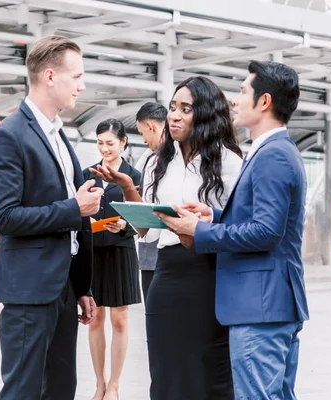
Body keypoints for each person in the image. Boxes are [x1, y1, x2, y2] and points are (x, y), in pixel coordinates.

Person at [157, 61, 310, 400]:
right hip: (267, 304)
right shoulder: (270, 151)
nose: (235, 101)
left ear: (264, 102)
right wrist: (215, 216)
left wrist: (200, 232)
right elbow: (263, 220)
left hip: (261, 305)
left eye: (242, 92)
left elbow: (266, 231)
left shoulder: (273, 156)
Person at [91, 76, 242, 400]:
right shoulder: (157, 162)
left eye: (185, 109)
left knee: (209, 369)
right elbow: (145, 229)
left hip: (211, 274)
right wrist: (128, 188)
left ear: (205, 115)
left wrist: (201, 226)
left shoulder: (229, 162)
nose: (174, 115)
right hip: (167, 272)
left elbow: (237, 226)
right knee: (165, 371)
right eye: (173, 107)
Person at [0, 35, 102, 400]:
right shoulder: (10, 136)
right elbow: (3, 218)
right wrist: (73, 208)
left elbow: (74, 221)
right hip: (29, 292)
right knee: (23, 391)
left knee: (62, 389)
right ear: (50, 76)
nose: (82, 86)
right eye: (76, 76)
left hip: (63, 288)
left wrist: (81, 287)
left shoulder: (59, 136)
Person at [82, 119, 141, 400]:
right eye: (100, 142)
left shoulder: (133, 175)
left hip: (121, 250)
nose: (105, 148)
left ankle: (115, 385)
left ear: (123, 143)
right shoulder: (87, 175)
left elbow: (143, 218)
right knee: (94, 319)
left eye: (110, 143)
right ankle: (99, 384)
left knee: (119, 319)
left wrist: (125, 226)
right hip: (92, 251)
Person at [134, 102, 167, 303]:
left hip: (156, 253)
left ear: (151, 126)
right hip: (156, 252)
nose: (144, 140)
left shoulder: (158, 159)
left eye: (142, 133)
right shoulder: (151, 158)